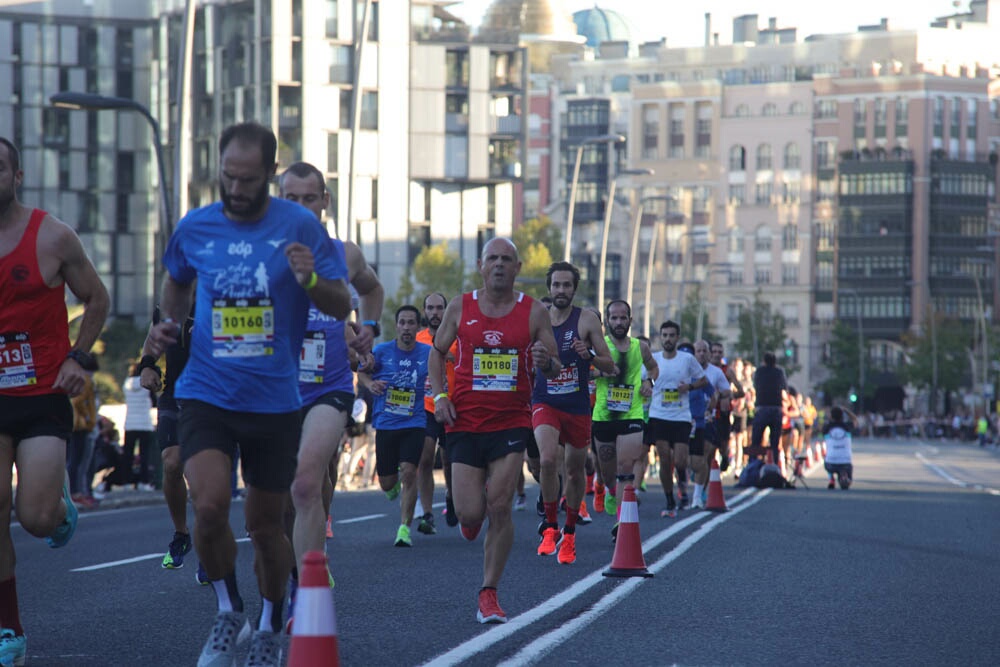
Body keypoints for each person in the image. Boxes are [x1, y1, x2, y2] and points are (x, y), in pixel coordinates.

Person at [143, 122, 352, 666]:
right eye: (228, 177)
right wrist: (170, 323)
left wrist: (310, 282)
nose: (236, 189)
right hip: (207, 392)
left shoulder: (301, 226)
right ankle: (227, 609)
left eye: (249, 179)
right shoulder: (196, 226)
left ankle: (269, 617)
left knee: (264, 526)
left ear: (268, 173)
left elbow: (341, 306)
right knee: (208, 507)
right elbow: (176, 279)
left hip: (275, 401)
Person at [0, 136, 110, 663]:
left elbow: (96, 298)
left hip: (43, 392)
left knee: (36, 521)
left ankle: (58, 502)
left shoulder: (52, 236)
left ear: (17, 177)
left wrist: (79, 358)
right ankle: (9, 628)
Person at [429, 237, 561, 624]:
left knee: (500, 506)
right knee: (470, 514)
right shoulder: (461, 306)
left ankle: (489, 593)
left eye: (507, 259)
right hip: (465, 422)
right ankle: (471, 521)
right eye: (493, 259)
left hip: (511, 420)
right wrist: (439, 398)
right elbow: (437, 354)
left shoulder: (534, 311)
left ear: (518, 268)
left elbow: (552, 364)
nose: (500, 265)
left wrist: (545, 362)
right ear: (481, 266)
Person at [279, 161, 382, 583]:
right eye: (291, 200)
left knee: (307, 482)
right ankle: (291, 569)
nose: (302, 208)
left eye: (310, 199)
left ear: (325, 202)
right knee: (282, 500)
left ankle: (309, 584)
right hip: (275, 388)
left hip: (330, 386)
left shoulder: (345, 253)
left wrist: (370, 329)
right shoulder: (261, 253)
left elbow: (372, 290)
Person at [532, 262, 615, 564]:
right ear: (549, 287)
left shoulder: (587, 320)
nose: (561, 290)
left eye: (567, 285)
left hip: (577, 405)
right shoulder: (537, 320)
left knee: (573, 469)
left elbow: (609, 365)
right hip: (545, 401)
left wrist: (589, 355)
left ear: (574, 289)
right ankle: (550, 528)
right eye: (556, 285)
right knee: (548, 459)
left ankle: (569, 534)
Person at [358, 305, 432, 546]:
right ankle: (392, 485)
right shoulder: (381, 351)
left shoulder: (428, 353)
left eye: (412, 323)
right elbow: (363, 373)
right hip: (387, 423)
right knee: (387, 483)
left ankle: (404, 529)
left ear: (418, 327)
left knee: (410, 472)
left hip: (415, 422)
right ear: (397, 325)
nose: (407, 327)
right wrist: (370, 385)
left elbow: (441, 374)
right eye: (403, 322)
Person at [139, 306, 197, 570]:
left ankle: (212, 537)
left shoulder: (226, 289)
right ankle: (181, 534)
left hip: (216, 394)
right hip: (175, 391)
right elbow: (154, 337)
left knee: (202, 473)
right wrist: (148, 365)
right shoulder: (172, 299)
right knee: (171, 462)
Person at [591, 300, 658, 523]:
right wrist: (602, 374)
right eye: (614, 318)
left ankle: (622, 523)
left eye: (623, 318)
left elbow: (654, 368)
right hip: (603, 416)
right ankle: (609, 490)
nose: (619, 322)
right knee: (610, 473)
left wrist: (650, 382)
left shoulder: (641, 347)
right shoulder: (600, 347)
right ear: (607, 321)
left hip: (632, 414)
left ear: (630, 320)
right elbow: (583, 373)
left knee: (626, 467)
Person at [646, 323, 707, 516]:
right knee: (664, 458)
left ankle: (681, 480)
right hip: (658, 415)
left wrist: (688, 387)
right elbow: (642, 378)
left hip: (681, 416)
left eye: (671, 335)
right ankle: (670, 499)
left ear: (677, 337)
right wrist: (645, 386)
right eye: (664, 335)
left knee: (680, 460)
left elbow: (703, 380)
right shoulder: (653, 359)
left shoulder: (687, 359)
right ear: (660, 337)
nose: (668, 339)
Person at [416, 293, 457, 529]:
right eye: (430, 308)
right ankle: (428, 512)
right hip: (426, 405)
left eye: (439, 308)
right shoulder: (419, 339)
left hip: (452, 405)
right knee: (424, 457)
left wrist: (451, 357)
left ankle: (451, 497)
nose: (434, 313)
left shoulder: (457, 339)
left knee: (449, 460)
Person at [692, 340, 732, 507]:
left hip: (708, 419)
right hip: (687, 418)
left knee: (707, 455)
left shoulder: (716, 372)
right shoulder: (687, 369)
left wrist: (719, 394)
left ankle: (698, 493)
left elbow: (727, 390)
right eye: (698, 351)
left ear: (708, 354)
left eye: (704, 351)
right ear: (694, 353)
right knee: (688, 460)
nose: (702, 353)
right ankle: (689, 483)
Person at [68, 358, 100, 509]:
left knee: (75, 460)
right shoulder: (86, 380)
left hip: (75, 425)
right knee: (80, 462)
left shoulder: (76, 376)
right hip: (82, 425)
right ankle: (77, 492)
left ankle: (76, 492)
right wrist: (88, 417)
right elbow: (80, 401)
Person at [708, 341, 744, 472]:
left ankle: (724, 456)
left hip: (723, 411)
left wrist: (728, 396)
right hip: (708, 411)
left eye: (719, 352)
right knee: (709, 445)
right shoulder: (704, 369)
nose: (717, 355)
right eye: (714, 352)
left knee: (723, 443)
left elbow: (741, 391)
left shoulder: (727, 370)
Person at [121, 362, 157, 490]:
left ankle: (125, 481)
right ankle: (143, 481)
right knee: (144, 454)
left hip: (129, 423)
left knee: (128, 454)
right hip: (144, 423)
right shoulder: (147, 384)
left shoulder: (126, 383)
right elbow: (154, 402)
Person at [750, 352, 787, 465]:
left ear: (764, 361)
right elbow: (784, 387)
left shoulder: (759, 372)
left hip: (762, 407)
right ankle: (774, 464)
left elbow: (755, 385)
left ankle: (753, 464)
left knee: (756, 439)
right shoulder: (779, 372)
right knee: (774, 441)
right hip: (776, 408)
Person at [823, 406, 856, 489]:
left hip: (830, 462)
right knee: (846, 467)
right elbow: (855, 420)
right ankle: (844, 474)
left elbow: (822, 427)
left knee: (827, 459)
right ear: (842, 416)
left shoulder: (827, 428)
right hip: (845, 461)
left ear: (831, 416)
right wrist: (846, 410)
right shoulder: (847, 426)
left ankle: (831, 478)